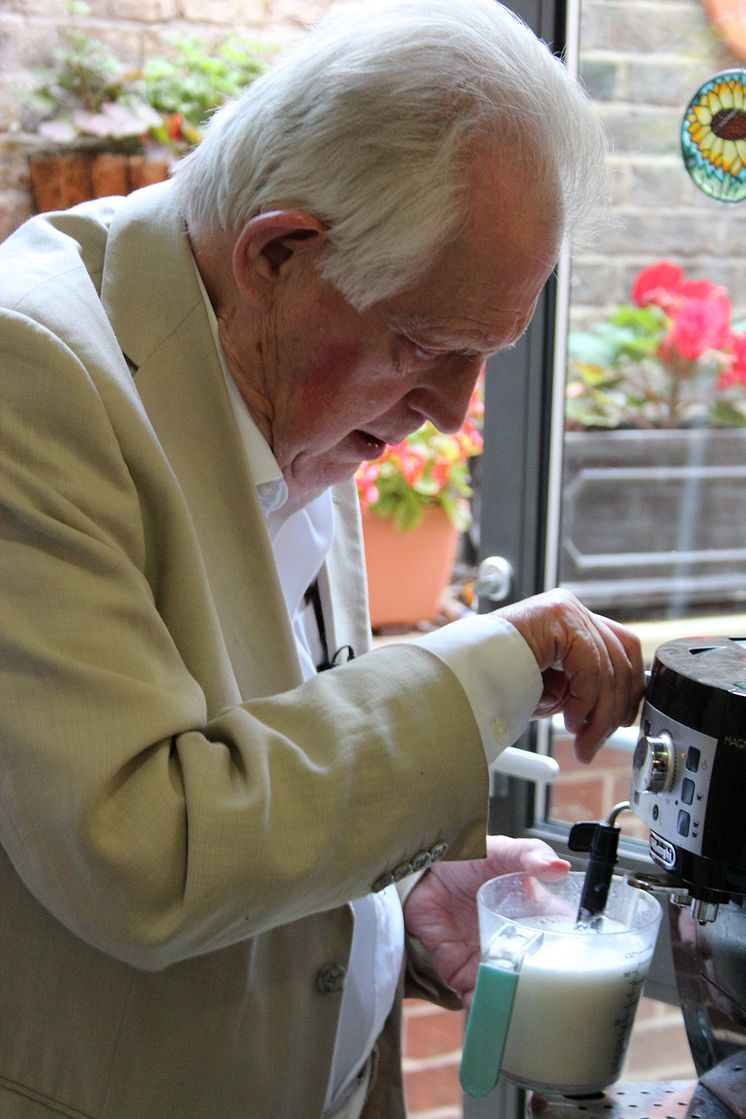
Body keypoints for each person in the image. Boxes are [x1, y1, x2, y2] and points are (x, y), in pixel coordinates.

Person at [0, 2, 644, 1117]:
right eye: (427, 348)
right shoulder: (32, 376)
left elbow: (267, 738)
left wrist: (398, 902)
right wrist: (483, 666)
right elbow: (148, 847)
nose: (450, 413)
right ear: (278, 253)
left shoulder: (271, 349)